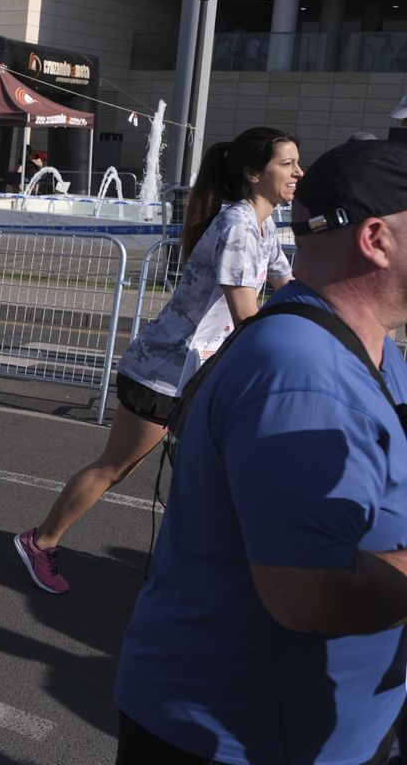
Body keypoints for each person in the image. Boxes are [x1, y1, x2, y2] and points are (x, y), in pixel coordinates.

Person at [113, 137, 407, 764]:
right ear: (377, 238)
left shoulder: (373, 346)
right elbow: (308, 595)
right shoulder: (302, 373)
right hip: (243, 735)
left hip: (327, 725)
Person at [14, 127, 303, 594]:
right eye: (287, 163)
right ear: (253, 174)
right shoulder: (237, 227)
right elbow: (247, 315)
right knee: (116, 467)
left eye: (297, 163)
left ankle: (197, 569)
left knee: (209, 473)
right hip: (163, 372)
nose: (298, 172)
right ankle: (40, 540)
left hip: (201, 372)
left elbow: (287, 287)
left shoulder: (263, 224)